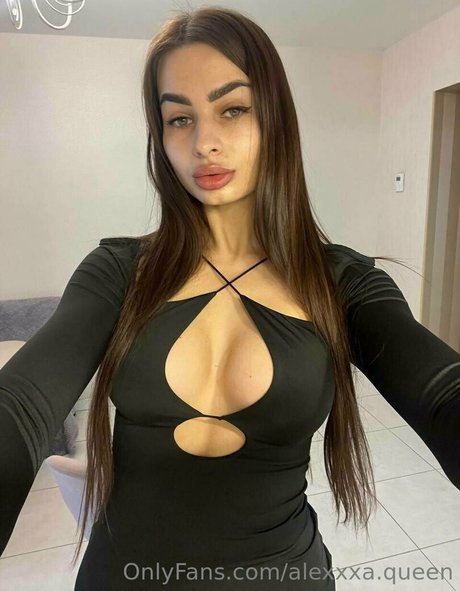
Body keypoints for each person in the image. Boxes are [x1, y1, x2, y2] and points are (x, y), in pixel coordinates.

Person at [1, 6, 459, 590]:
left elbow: (442, 394)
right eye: (179, 118)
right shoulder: (117, 272)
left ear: (275, 117)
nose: (205, 143)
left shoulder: (343, 284)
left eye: (233, 109)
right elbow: (20, 405)